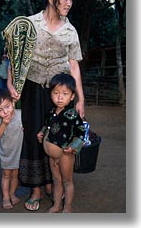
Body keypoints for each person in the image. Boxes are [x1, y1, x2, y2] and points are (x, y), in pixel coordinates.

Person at [6, 0, 85, 211]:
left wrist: (80, 98)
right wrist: (11, 83)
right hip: (32, 88)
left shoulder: (71, 31)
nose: (70, 3)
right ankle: (36, 188)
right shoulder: (30, 24)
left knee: (57, 137)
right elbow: (15, 57)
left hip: (59, 92)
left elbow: (74, 66)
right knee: (33, 135)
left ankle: (52, 182)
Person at [37, 73, 86, 213]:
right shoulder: (51, 112)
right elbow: (46, 126)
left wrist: (73, 147)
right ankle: (57, 205)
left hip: (65, 155)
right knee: (56, 181)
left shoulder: (72, 115)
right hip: (52, 157)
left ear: (72, 96)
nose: (59, 97)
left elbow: (81, 133)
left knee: (67, 181)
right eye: (56, 93)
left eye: (65, 93)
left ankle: (67, 207)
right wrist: (41, 133)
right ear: (51, 94)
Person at [0, 89, 24, 210]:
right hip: (7, 153)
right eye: (0, 110)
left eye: (7, 106)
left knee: (15, 175)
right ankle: (6, 197)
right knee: (6, 174)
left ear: (13, 102)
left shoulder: (20, 114)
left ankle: (12, 194)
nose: (5, 112)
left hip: (19, 152)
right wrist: (4, 123)